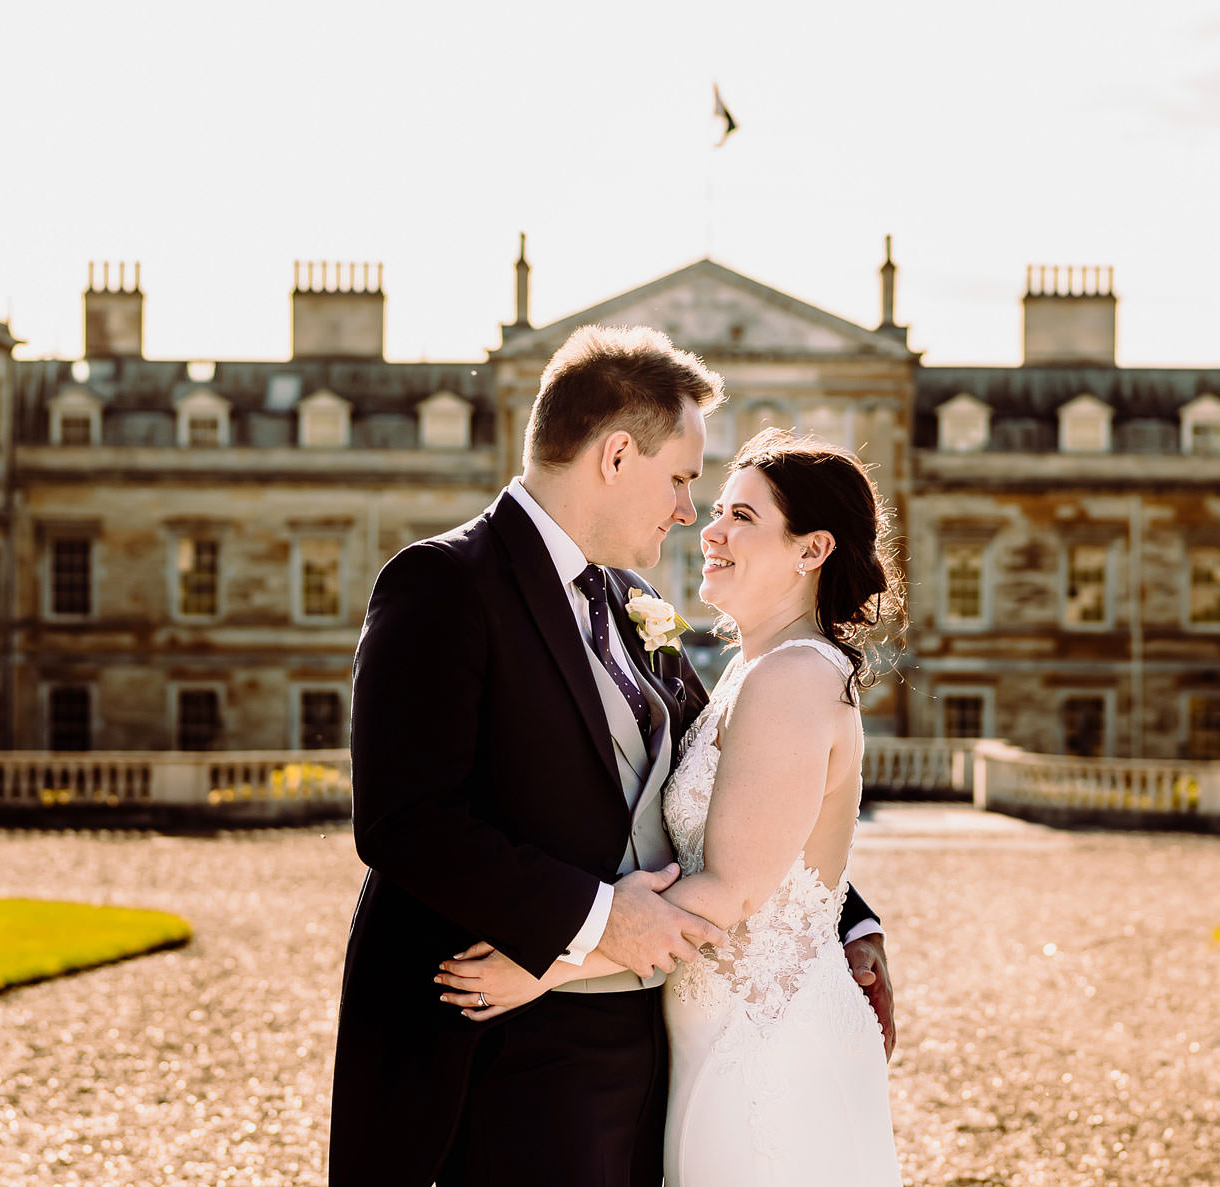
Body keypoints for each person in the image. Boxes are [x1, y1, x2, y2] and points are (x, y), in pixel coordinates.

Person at [331, 326, 893, 1187]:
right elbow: (405, 820)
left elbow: (739, 792)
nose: (685, 512)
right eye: (680, 479)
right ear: (616, 454)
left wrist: (842, 917)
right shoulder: (443, 582)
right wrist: (592, 925)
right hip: (487, 1039)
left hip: (642, 1057)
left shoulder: (635, 600)